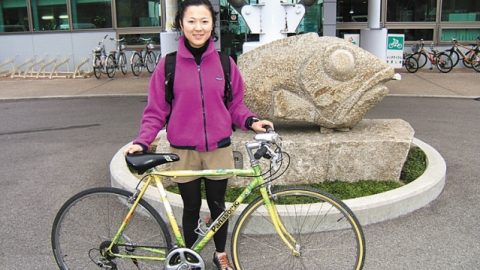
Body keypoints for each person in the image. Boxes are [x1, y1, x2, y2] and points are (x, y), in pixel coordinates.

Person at [124, 0, 273, 269]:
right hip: (184, 150)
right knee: (191, 207)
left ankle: (219, 254)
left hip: (218, 147)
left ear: (213, 25)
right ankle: (189, 259)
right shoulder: (167, 66)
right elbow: (155, 111)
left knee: (219, 206)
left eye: (204, 21)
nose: (198, 27)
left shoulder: (225, 64)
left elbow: (235, 105)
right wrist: (141, 141)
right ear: (181, 24)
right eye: (191, 21)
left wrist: (251, 121)